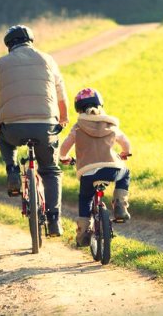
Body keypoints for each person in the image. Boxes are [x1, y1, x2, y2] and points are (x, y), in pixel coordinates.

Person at [0, 25, 69, 237]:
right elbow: (60, 92)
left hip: (13, 127)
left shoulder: (2, 63)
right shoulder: (48, 59)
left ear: (9, 45)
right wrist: (64, 117)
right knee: (50, 171)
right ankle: (54, 221)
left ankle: (12, 170)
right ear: (30, 40)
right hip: (45, 126)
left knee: (4, 139)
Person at [59, 88, 132, 247]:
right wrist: (126, 152)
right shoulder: (110, 123)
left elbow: (65, 147)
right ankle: (120, 206)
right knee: (125, 173)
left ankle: (83, 233)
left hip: (87, 172)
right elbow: (125, 142)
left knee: (85, 198)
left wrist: (63, 157)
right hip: (110, 168)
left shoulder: (78, 127)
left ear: (78, 109)